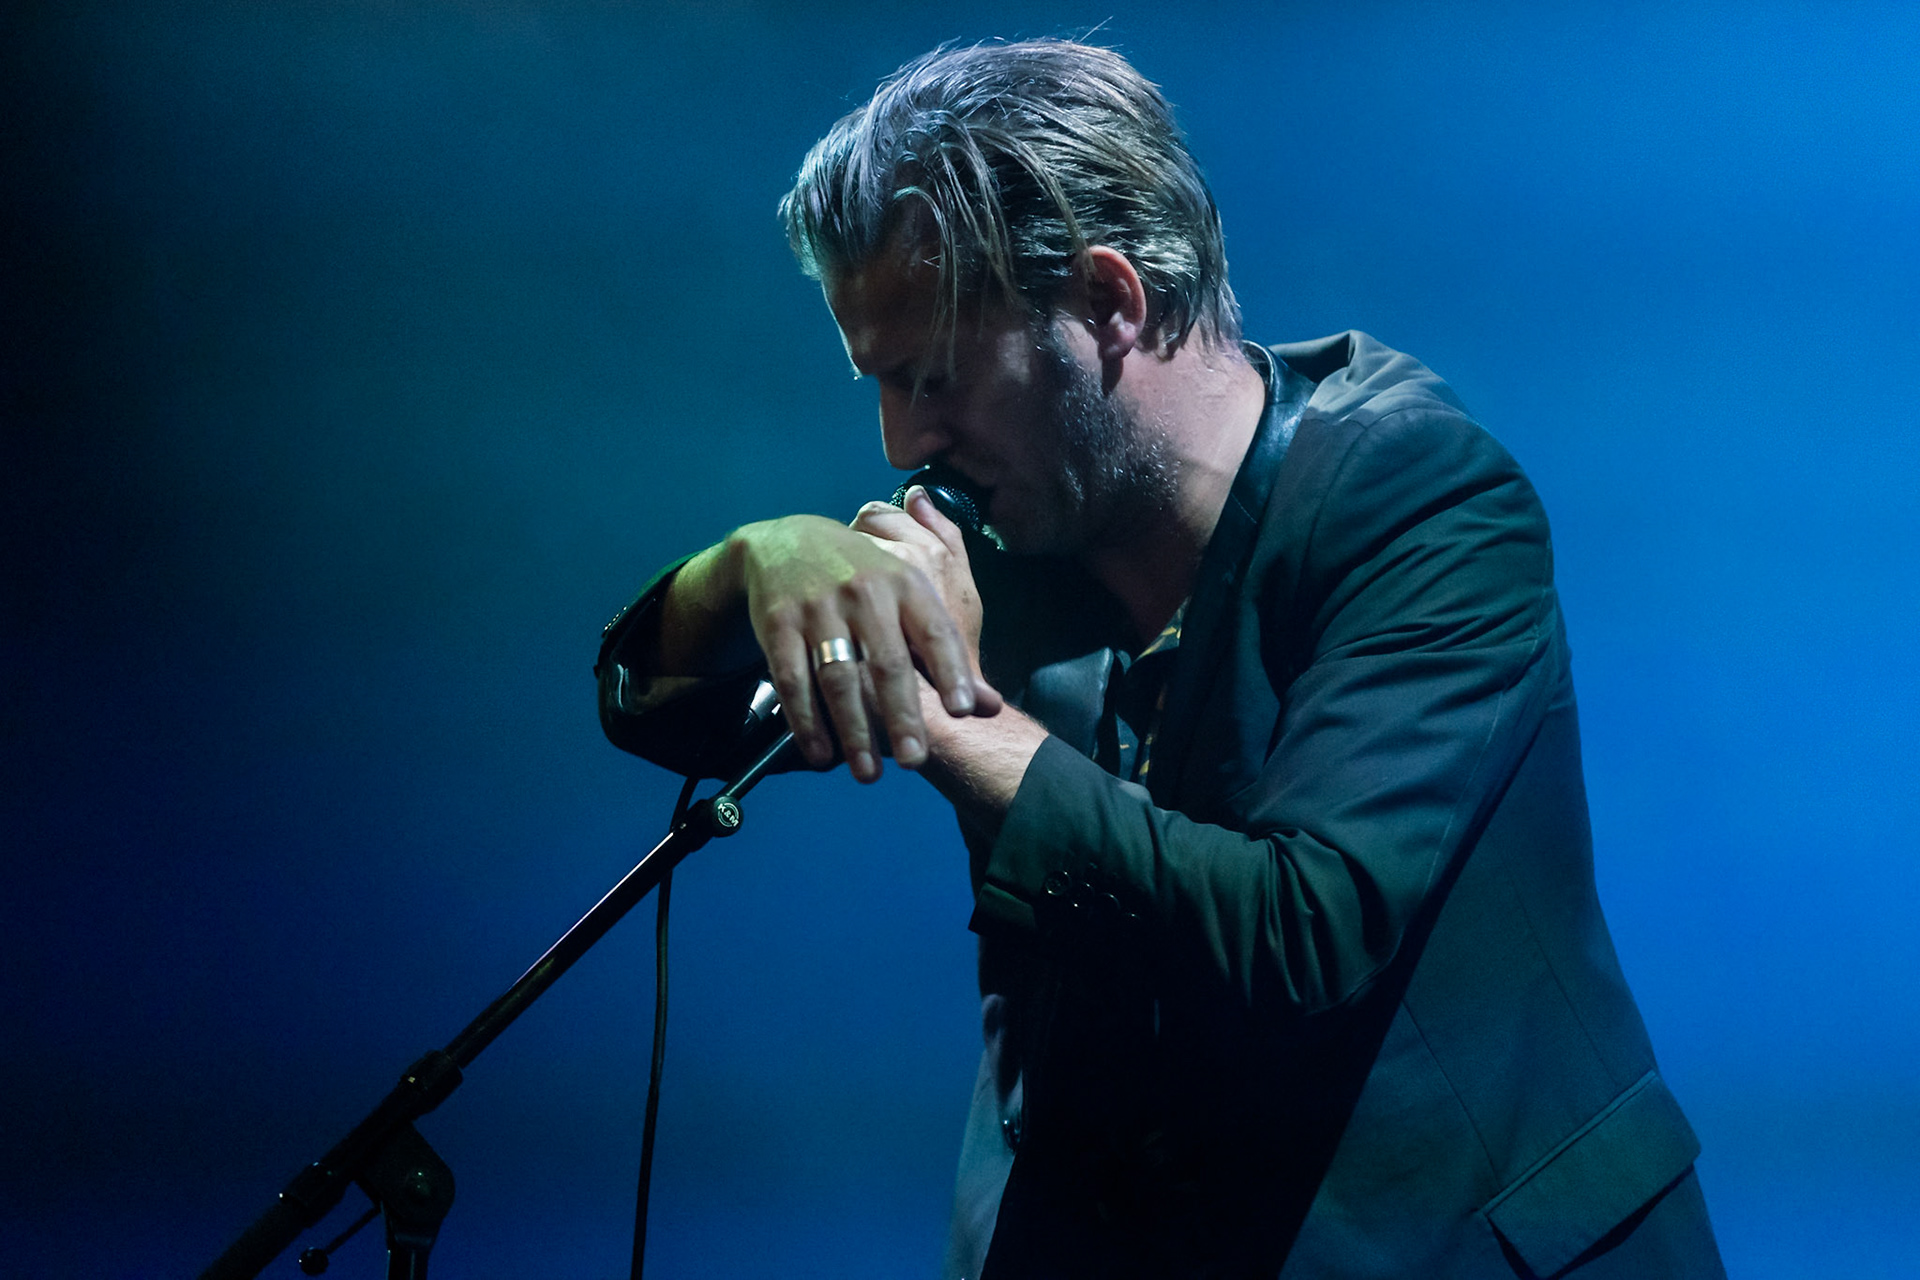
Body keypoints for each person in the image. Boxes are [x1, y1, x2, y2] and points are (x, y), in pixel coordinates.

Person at [595, 39, 1725, 1280]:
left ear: (1108, 302)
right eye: (879, 381)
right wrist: (753, 563)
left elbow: (1305, 931)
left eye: (934, 375)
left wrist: (954, 715)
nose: (900, 438)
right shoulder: (1013, 521)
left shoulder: (1418, 498)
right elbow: (673, 710)